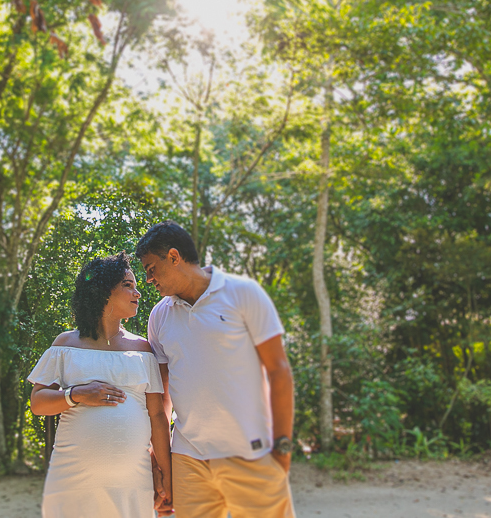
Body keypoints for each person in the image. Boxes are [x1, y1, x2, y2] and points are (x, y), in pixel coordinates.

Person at [138, 221, 296, 518]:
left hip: (250, 452)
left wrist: (282, 450)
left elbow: (279, 371)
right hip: (189, 459)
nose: (148, 279)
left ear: (174, 257)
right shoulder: (159, 316)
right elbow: (162, 399)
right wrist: (163, 462)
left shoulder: (243, 293)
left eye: (151, 269)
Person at [27, 252, 173, 517]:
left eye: (136, 285)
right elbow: (37, 403)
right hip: (72, 481)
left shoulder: (143, 350)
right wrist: (76, 394)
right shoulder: (65, 345)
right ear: (102, 292)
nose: (137, 293)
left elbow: (157, 417)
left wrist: (167, 476)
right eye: (128, 285)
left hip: (132, 482)